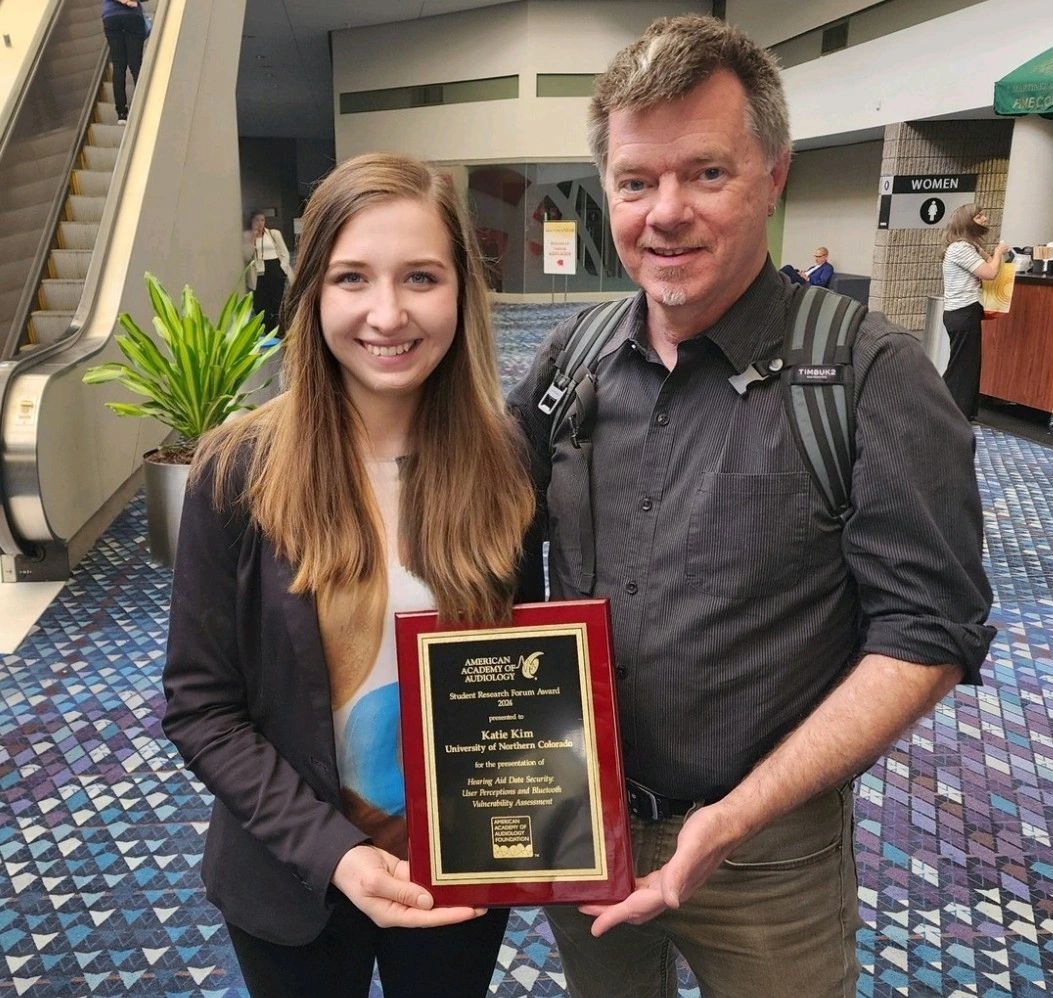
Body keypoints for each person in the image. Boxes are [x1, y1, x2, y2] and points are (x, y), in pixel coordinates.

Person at [508, 15, 994, 997]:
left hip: (766, 851)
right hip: (583, 823)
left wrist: (733, 817)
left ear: (774, 177)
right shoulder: (571, 359)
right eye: (635, 182)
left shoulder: (868, 373)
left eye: (706, 173)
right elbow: (473, 530)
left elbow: (929, 631)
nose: (666, 212)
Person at [163, 154, 539, 997]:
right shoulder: (237, 471)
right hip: (289, 873)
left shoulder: (505, 463)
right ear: (313, 295)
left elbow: (526, 672)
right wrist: (336, 853)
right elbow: (201, 707)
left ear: (462, 293)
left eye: (421, 277)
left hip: (457, 868)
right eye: (352, 278)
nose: (388, 313)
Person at [941, 204, 1008, 420]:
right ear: (967, 222)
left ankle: (963, 410)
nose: (985, 219)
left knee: (968, 362)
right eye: (979, 216)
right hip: (962, 312)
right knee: (962, 363)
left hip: (965, 311)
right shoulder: (960, 248)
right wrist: (999, 252)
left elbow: (989, 263)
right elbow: (990, 272)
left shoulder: (969, 246)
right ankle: (944, 406)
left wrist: (991, 253)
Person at [244, 211, 294, 333]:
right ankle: (265, 329)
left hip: (275, 267)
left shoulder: (273, 233)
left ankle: (277, 329)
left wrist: (282, 267)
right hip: (258, 271)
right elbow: (247, 256)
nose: (260, 223)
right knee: (260, 303)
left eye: (262, 220)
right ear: (251, 222)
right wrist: (253, 239)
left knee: (276, 301)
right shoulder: (247, 236)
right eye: (257, 220)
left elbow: (284, 252)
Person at [101, 0, 146, 124]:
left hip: (111, 17)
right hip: (132, 17)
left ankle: (121, 113)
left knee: (119, 66)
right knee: (136, 64)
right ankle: (142, 104)